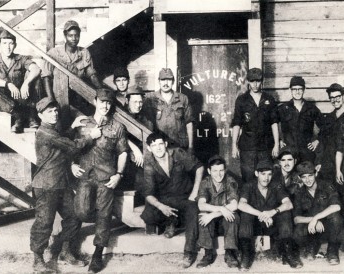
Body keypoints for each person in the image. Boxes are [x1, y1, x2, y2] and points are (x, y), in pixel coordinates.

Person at [30, 97, 101, 272]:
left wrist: (72, 127)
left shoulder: (53, 131)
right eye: (49, 112)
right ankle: (38, 260)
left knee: (75, 216)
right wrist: (91, 136)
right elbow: (72, 146)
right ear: (40, 115)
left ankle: (65, 250)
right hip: (46, 185)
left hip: (61, 183)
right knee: (44, 223)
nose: (54, 114)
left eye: (55, 111)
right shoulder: (44, 132)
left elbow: (60, 140)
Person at [71, 88, 129, 273]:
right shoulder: (83, 123)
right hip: (86, 176)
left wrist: (119, 174)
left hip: (106, 177)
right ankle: (100, 217)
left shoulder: (118, 127)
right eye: (102, 101)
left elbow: (123, 152)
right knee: (81, 211)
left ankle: (97, 254)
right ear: (95, 101)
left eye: (109, 102)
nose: (105, 105)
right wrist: (72, 164)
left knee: (104, 215)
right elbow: (73, 148)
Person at [141, 132, 204, 268]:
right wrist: (161, 206)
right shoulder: (149, 164)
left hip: (185, 197)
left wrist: (195, 192)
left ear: (166, 144)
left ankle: (188, 252)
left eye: (160, 144)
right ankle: (172, 220)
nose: (158, 148)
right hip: (166, 200)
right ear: (149, 148)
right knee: (149, 215)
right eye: (153, 145)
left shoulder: (178, 153)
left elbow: (199, 167)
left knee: (193, 211)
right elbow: (148, 194)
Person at [238, 160, 302, 271]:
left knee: (285, 214)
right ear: (256, 174)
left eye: (269, 174)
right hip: (255, 225)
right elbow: (241, 205)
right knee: (245, 215)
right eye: (263, 174)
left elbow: (289, 204)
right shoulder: (249, 185)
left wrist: (272, 212)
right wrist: (261, 214)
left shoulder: (276, 185)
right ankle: (246, 255)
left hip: (273, 225)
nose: (266, 178)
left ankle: (288, 254)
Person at [42, 20, 102, 117]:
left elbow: (92, 75)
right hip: (59, 97)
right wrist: (51, 100)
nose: (74, 38)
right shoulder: (54, 53)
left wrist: (101, 91)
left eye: (76, 35)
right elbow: (46, 78)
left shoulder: (84, 52)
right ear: (65, 36)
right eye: (70, 35)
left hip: (78, 97)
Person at [0, 30, 42, 133]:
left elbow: (36, 69)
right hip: (4, 101)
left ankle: (31, 115)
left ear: (15, 45)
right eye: (4, 43)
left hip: (21, 98)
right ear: (0, 44)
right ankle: (18, 116)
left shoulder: (21, 59)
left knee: (34, 77)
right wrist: (8, 84)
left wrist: (26, 83)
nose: (8, 47)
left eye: (11, 43)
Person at [231, 67, 279, 185]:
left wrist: (277, 144)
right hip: (248, 147)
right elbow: (237, 123)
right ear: (248, 81)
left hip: (265, 146)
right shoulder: (242, 100)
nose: (255, 84)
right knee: (248, 177)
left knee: (266, 177)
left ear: (262, 81)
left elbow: (274, 122)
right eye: (252, 81)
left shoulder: (269, 99)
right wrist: (234, 145)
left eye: (258, 81)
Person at [293, 161, 343, 265]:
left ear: (315, 174)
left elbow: (336, 206)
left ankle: (332, 250)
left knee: (336, 218)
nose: (307, 180)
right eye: (304, 177)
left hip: (328, 227)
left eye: (310, 175)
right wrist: (313, 221)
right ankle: (313, 244)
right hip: (313, 228)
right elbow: (296, 218)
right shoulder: (299, 192)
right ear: (300, 178)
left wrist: (316, 218)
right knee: (297, 233)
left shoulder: (326, 185)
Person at [195, 155, 239, 269]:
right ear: (209, 171)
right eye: (215, 171)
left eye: (221, 170)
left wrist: (215, 213)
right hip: (213, 222)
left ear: (225, 170)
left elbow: (234, 205)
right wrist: (221, 208)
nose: (218, 174)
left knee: (233, 216)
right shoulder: (205, 182)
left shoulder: (230, 181)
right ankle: (208, 253)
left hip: (224, 220)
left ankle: (230, 253)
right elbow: (201, 205)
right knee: (203, 217)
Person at [145, 68, 194, 150]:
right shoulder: (151, 99)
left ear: (173, 81)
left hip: (180, 146)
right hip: (160, 147)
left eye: (169, 80)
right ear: (159, 81)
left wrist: (191, 147)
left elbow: (189, 124)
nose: (166, 83)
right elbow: (146, 124)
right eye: (163, 80)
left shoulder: (183, 99)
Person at [278, 76, 321, 163]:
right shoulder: (283, 109)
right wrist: (279, 140)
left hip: (306, 153)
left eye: (300, 89)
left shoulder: (311, 109)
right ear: (290, 90)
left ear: (304, 90)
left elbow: (325, 126)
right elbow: (272, 125)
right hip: (289, 153)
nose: (297, 92)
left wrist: (317, 140)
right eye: (294, 89)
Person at [316, 83, 344, 182]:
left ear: (343, 96)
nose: (335, 100)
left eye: (337, 96)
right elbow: (322, 141)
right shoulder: (328, 118)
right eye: (332, 98)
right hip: (329, 163)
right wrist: (319, 161)